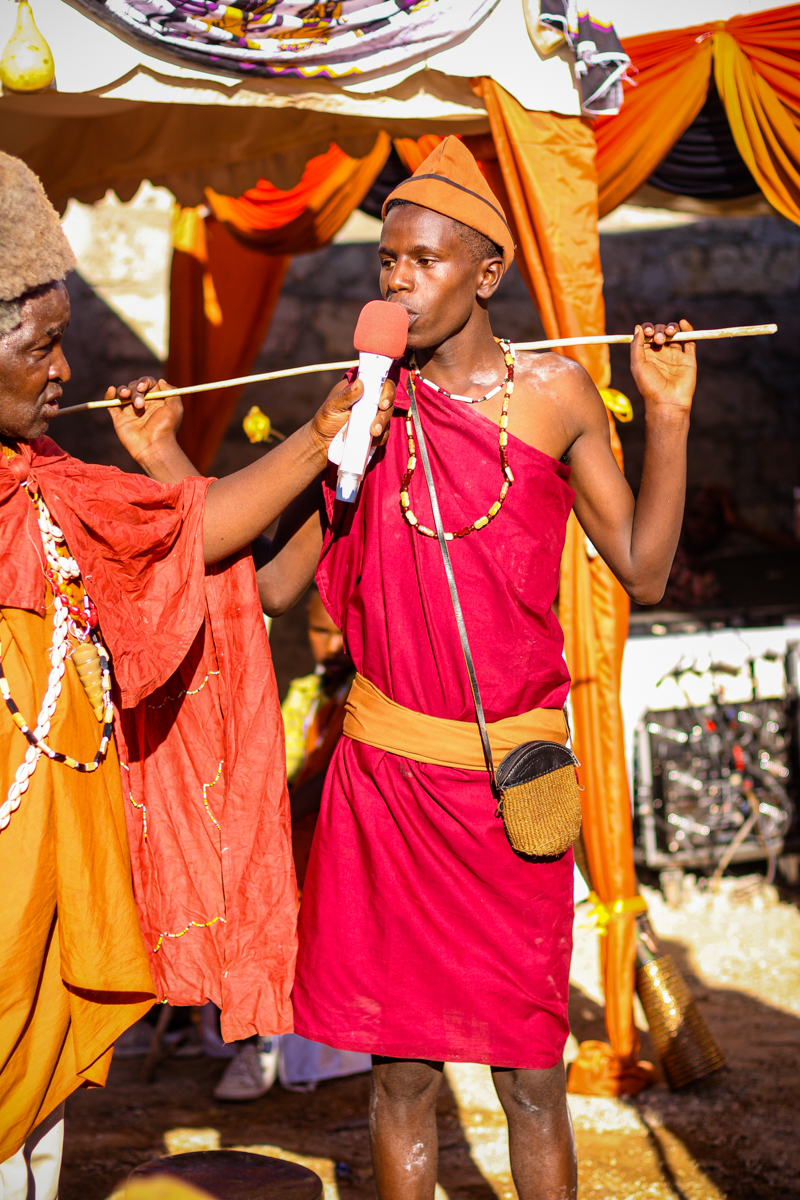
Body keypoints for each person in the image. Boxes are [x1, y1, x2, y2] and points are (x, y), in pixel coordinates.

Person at [136, 138, 695, 1200]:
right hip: (382, 792)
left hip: (506, 795)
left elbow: (647, 569)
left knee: (529, 1083)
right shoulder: (360, 412)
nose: (395, 279)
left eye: (422, 261)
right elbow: (269, 588)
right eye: (385, 262)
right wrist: (168, 459)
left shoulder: (558, 394)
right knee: (398, 1085)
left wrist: (663, 413)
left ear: (486, 275)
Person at [0, 152, 392, 1196]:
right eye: (40, 347)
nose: (63, 372)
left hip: (52, 897)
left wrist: (320, 437)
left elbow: (182, 534)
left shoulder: (47, 487)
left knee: (32, 1146)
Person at [214, 588, 369, 1100]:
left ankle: (266, 1044)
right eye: (319, 632)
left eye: (338, 631)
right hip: (290, 832)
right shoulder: (305, 691)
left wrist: (266, 824)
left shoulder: (366, 697)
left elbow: (326, 782)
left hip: (328, 842)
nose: (331, 645)